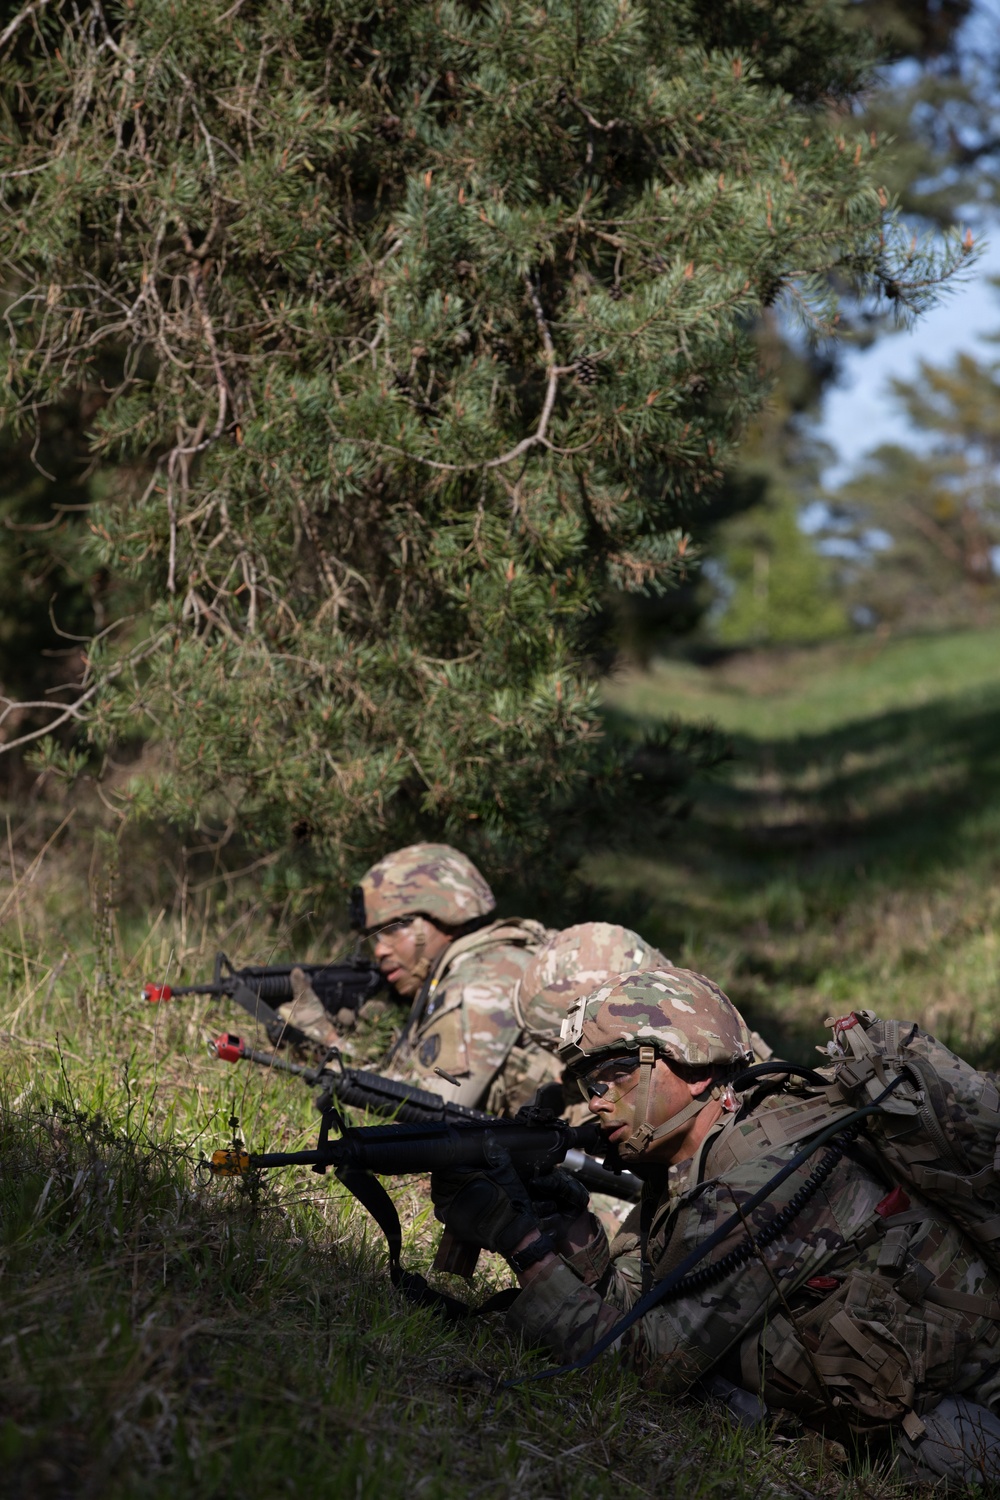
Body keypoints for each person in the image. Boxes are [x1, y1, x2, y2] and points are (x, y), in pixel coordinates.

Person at [430, 967, 1000, 1488]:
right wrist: (565, 1227)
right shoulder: (700, 1158)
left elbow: (639, 1363)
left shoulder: (762, 1180)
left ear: (695, 1070)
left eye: (615, 1076)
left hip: (971, 1418)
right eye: (587, 1085)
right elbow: (644, 1301)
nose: (595, 1103)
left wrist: (523, 1246)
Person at [348, 842, 553, 1110]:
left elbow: (427, 1112)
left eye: (393, 928)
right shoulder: (491, 959)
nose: (380, 950)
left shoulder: (481, 981)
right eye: (374, 935)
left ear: (444, 916)